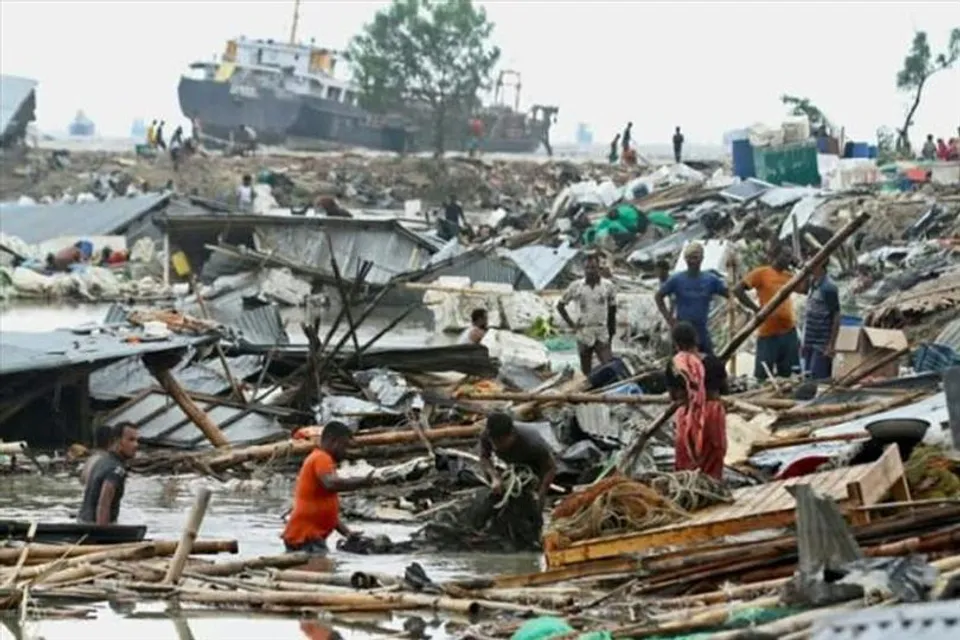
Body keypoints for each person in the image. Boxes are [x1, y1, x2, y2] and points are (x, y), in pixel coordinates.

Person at [281, 421, 379, 555]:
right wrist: (363, 482)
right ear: (334, 441)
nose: (345, 452)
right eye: (344, 446)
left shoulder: (321, 460)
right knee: (321, 569)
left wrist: (347, 533)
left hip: (306, 536)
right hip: (306, 537)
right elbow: (331, 484)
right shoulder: (322, 457)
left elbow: (328, 512)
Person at [665, 322, 728, 480]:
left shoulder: (673, 365)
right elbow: (725, 389)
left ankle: (689, 493)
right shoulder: (714, 362)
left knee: (686, 459)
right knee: (713, 457)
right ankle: (713, 489)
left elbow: (674, 395)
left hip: (687, 415)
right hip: (712, 412)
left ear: (676, 343)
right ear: (696, 340)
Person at [733, 245, 801, 380]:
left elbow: (805, 288)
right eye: (785, 255)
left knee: (789, 375)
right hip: (768, 334)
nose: (788, 259)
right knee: (762, 376)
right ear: (775, 256)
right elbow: (738, 290)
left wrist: (800, 266)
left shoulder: (789, 276)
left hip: (788, 332)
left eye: (790, 257)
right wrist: (756, 309)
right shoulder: (762, 273)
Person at [655, 242, 730, 355]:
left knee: (708, 363)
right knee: (681, 366)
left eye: (695, 257)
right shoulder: (677, 279)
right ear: (685, 260)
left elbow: (730, 294)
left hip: (701, 331)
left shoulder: (711, 280)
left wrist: (734, 285)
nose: (692, 261)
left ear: (701, 259)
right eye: (689, 258)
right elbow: (658, 296)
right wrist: (670, 320)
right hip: (682, 332)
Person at [557, 253, 617, 375]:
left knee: (609, 366)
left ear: (598, 269)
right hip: (584, 331)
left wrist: (611, 332)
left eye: (593, 268)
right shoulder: (576, 286)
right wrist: (572, 325)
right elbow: (560, 306)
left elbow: (612, 310)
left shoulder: (608, 286)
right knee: (586, 370)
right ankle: (589, 392)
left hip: (601, 330)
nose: (590, 271)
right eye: (587, 268)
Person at [479, 411, 557, 505]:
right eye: (493, 442)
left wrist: (541, 495)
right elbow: (484, 457)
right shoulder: (487, 435)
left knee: (528, 497)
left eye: (500, 442)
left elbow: (551, 468)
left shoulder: (532, 443)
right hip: (513, 462)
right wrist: (494, 477)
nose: (496, 447)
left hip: (536, 463)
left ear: (512, 434)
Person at [77, 422, 139, 525]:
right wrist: (103, 535)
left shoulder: (101, 461)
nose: (136, 445)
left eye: (137, 440)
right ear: (117, 441)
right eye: (131, 440)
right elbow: (103, 505)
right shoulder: (116, 469)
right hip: (95, 529)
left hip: (82, 523)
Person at [802, 261, 841, 381]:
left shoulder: (828, 288)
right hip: (810, 341)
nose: (808, 264)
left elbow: (837, 316)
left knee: (818, 380)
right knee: (808, 377)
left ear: (820, 264)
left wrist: (831, 345)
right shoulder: (813, 284)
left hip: (821, 343)